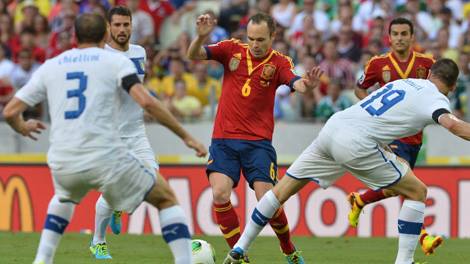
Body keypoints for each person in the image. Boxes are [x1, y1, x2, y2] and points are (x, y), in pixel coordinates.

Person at [2, 13, 206, 264]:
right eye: (116, 25)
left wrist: (22, 127)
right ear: (104, 35)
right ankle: (179, 257)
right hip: (106, 150)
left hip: (63, 158)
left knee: (64, 196)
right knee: (164, 197)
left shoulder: (53, 64)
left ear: (75, 36)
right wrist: (186, 136)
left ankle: (42, 259)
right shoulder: (113, 62)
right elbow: (147, 102)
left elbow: (10, 111)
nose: (121, 29)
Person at [224, 58, 465, 264]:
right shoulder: (436, 98)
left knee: (279, 192)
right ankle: (405, 261)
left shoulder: (405, 82)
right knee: (417, 191)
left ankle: (240, 247)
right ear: (452, 86)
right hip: (356, 142)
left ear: (430, 73)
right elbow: (452, 124)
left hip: (334, 127)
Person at [187, 12, 321, 264]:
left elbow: (296, 83)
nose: (255, 44)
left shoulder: (279, 62)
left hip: (258, 144)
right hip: (224, 140)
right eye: (251, 39)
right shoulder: (231, 49)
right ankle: (242, 257)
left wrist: (307, 85)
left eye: (261, 39)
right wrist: (200, 37)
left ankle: (288, 248)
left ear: (273, 36)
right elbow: (193, 55)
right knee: (219, 194)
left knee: (267, 200)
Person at [352, 17, 442, 255]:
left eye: (404, 34)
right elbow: (359, 87)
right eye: (396, 34)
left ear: (412, 37)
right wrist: (372, 108)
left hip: (415, 136)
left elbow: (437, 88)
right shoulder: (378, 63)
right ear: (389, 37)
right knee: (408, 186)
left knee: (400, 187)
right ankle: (422, 237)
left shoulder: (426, 63)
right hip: (390, 134)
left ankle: (360, 200)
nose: (400, 38)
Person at [88, 6, 158, 259]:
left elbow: (139, 85)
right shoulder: (99, 56)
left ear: (131, 26)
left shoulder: (140, 52)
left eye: (125, 24)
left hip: (136, 132)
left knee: (152, 177)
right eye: (116, 25)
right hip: (110, 137)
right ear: (108, 27)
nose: (121, 29)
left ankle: (118, 206)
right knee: (113, 188)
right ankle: (98, 240)